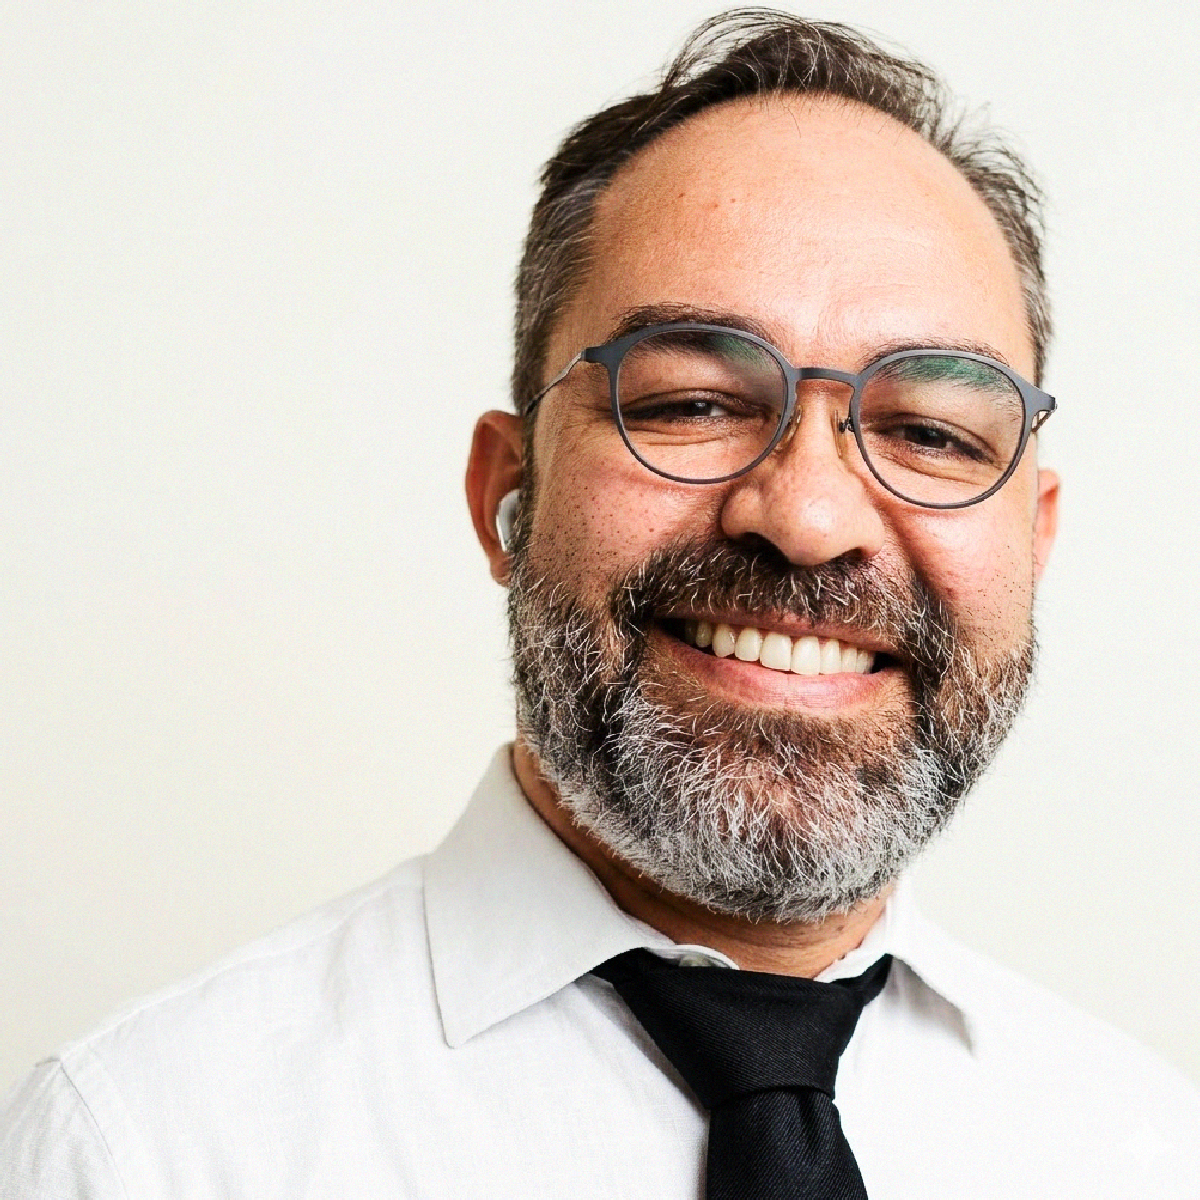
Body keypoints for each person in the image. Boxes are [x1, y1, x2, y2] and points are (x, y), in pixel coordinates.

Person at [3, 10, 1198, 1198]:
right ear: (506, 496)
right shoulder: (142, 1149)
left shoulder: (1145, 1150)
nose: (807, 516)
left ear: (1035, 539)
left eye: (931, 433)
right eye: (691, 404)